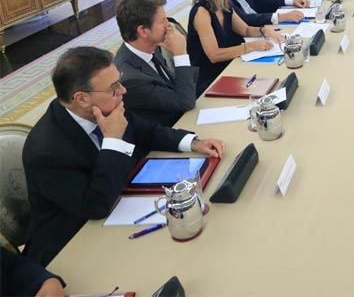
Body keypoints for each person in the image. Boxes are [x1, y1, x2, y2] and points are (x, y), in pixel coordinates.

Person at [22, 46, 225, 266]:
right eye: (114, 87)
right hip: (73, 244)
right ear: (81, 98)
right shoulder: (46, 152)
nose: (123, 91)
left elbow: (146, 131)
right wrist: (113, 141)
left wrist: (192, 142)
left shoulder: (107, 105)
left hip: (122, 204)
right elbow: (95, 206)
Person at [188, 0, 283, 95]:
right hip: (210, 79)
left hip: (230, 66)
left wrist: (264, 30)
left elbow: (244, 29)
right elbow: (214, 55)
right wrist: (250, 47)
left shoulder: (224, 4)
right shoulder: (201, 12)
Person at [113, 0, 198, 127]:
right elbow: (185, 102)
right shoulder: (130, 79)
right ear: (143, 31)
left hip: (185, 118)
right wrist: (180, 53)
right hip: (170, 133)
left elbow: (180, 88)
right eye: (162, 20)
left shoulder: (152, 47)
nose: (169, 25)